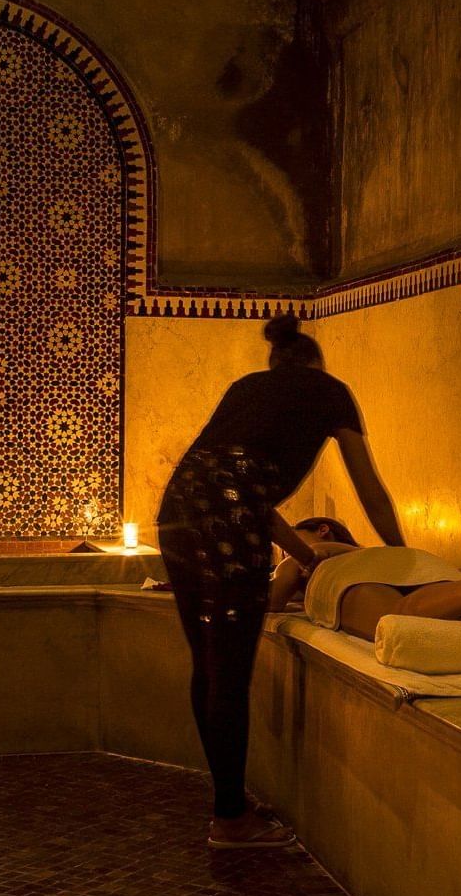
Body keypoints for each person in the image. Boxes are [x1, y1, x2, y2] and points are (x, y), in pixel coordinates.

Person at [156, 314, 405, 850]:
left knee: (208, 663)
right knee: (230, 671)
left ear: (275, 363)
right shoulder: (330, 390)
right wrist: (403, 556)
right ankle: (230, 820)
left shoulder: (247, 387)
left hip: (175, 513)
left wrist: (304, 554)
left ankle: (229, 805)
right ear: (316, 363)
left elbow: (228, 482)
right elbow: (369, 488)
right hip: (230, 523)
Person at [268, 529, 461, 687]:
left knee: (397, 616)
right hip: (417, 562)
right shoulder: (371, 549)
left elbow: (272, 600)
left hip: (346, 572)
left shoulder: (315, 550)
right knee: (444, 615)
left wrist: (285, 568)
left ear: (321, 529)